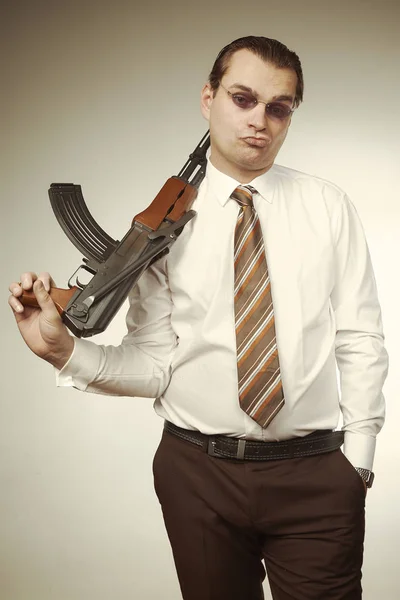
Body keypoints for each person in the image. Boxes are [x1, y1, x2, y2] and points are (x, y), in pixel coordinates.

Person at [9, 36, 388, 600]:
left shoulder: (328, 207)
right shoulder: (163, 223)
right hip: (198, 475)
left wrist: (356, 464)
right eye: (243, 98)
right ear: (208, 98)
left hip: (314, 475)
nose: (259, 120)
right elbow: (156, 365)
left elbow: (361, 336)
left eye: (278, 107)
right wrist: (64, 351)